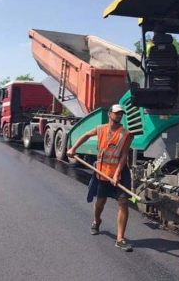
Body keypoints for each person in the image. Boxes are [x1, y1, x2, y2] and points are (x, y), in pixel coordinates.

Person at [66, 104, 134, 251]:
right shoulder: (101, 129)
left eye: (121, 114)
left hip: (120, 173)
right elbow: (85, 135)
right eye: (116, 113)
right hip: (102, 173)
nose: (119, 116)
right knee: (100, 203)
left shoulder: (126, 134)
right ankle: (96, 221)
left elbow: (124, 156)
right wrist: (73, 148)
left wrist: (116, 175)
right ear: (109, 114)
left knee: (123, 203)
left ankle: (120, 239)